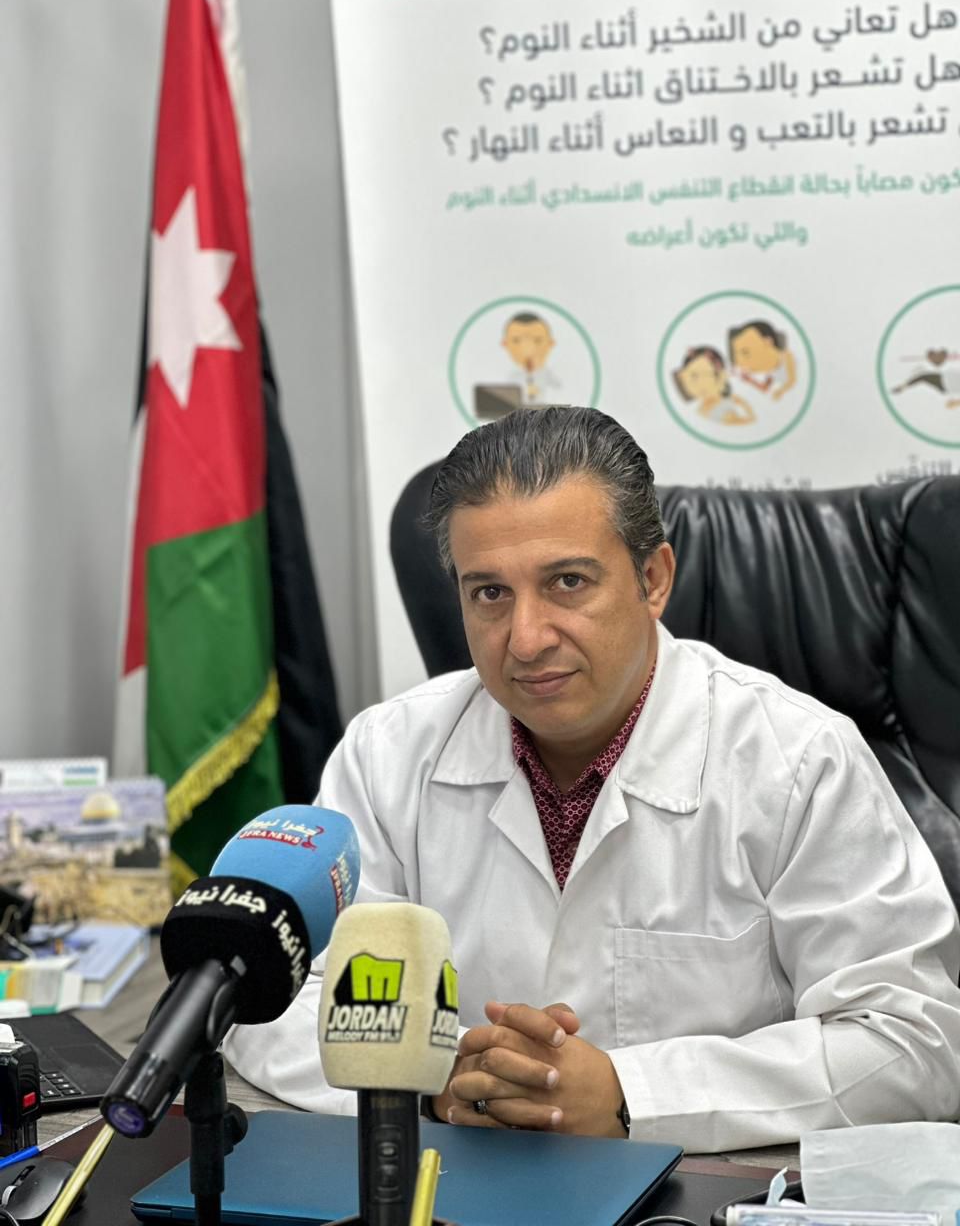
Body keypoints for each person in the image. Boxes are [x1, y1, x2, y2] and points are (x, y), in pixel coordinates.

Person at [224, 407, 960, 1152]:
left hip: (703, 1189)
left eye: (567, 582)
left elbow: (912, 1043)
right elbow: (266, 1003)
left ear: (653, 579)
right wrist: (432, 1078)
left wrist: (630, 1093)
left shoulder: (798, 759)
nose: (526, 639)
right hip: (459, 1181)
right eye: (489, 593)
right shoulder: (389, 755)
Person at [672, 345, 755, 425]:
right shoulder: (705, 367)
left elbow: (718, 384)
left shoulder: (710, 372)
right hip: (687, 385)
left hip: (691, 389)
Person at [728, 320, 797, 401]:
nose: (739, 361)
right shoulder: (765, 366)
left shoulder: (784, 358)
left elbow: (767, 387)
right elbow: (765, 387)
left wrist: (780, 392)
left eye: (745, 352)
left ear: (768, 342)